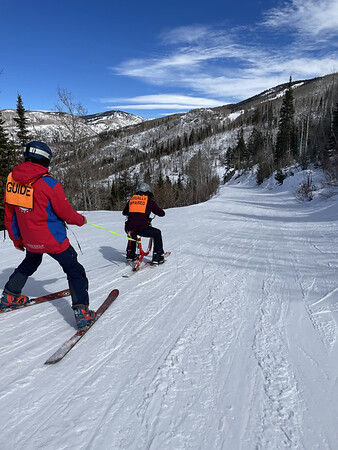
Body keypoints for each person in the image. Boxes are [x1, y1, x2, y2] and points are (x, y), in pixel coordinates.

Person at [0, 140, 95, 328]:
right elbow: (65, 212)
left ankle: (10, 295)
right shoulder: (50, 184)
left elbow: (10, 215)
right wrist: (80, 220)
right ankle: (82, 312)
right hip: (53, 239)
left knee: (30, 262)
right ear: (45, 160)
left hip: (29, 239)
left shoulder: (12, 181)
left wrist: (16, 238)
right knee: (74, 269)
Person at [123, 182, 165, 264]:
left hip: (129, 228)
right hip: (141, 228)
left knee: (132, 234)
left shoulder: (132, 200)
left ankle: (130, 255)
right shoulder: (148, 201)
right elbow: (161, 213)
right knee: (157, 233)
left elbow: (124, 212)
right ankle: (158, 256)